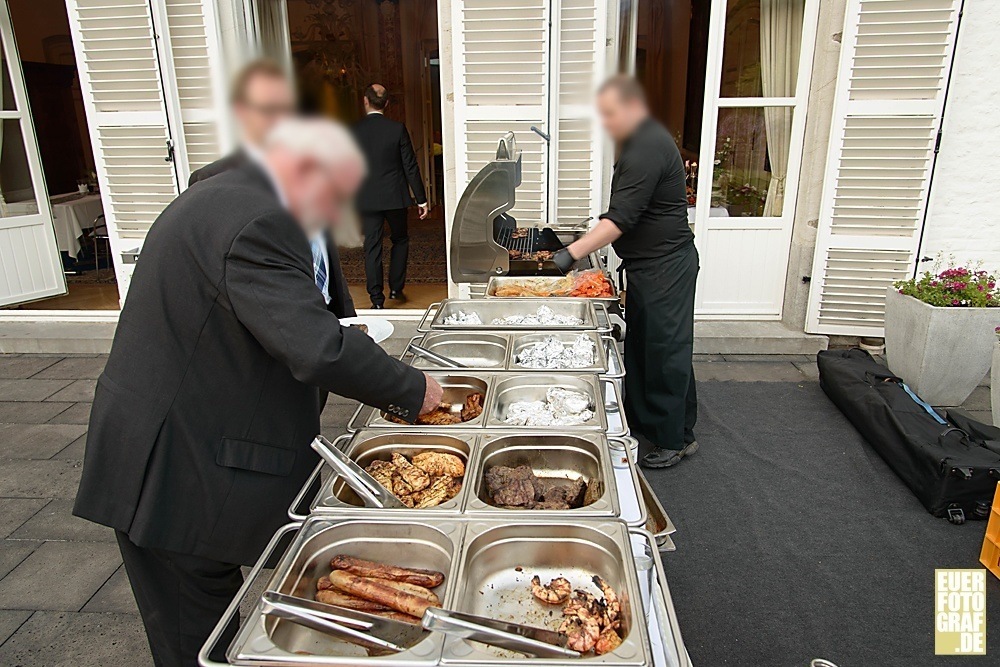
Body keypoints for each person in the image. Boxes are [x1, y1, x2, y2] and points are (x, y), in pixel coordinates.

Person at [73, 118, 445, 666]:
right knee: (193, 637)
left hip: (194, 437)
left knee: (210, 608)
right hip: (170, 468)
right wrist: (412, 389)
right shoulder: (259, 219)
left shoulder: (234, 195)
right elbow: (315, 347)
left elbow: (298, 316)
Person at [553, 76, 698, 469]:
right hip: (650, 265)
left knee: (665, 350)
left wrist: (570, 253)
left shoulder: (647, 146)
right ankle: (657, 422)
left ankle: (674, 440)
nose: (606, 123)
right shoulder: (642, 141)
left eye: (611, 114)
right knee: (648, 346)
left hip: (665, 266)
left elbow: (620, 218)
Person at [189, 59, 355, 318]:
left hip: (324, 323)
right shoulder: (210, 181)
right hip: (268, 333)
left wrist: (346, 317)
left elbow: (326, 261)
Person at [353, 83, 429, 308]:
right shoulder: (397, 129)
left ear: (365, 101)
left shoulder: (354, 131)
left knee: (372, 245)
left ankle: (376, 300)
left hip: (367, 199)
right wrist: (421, 198)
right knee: (400, 239)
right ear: (386, 104)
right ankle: (396, 288)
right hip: (395, 197)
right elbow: (410, 166)